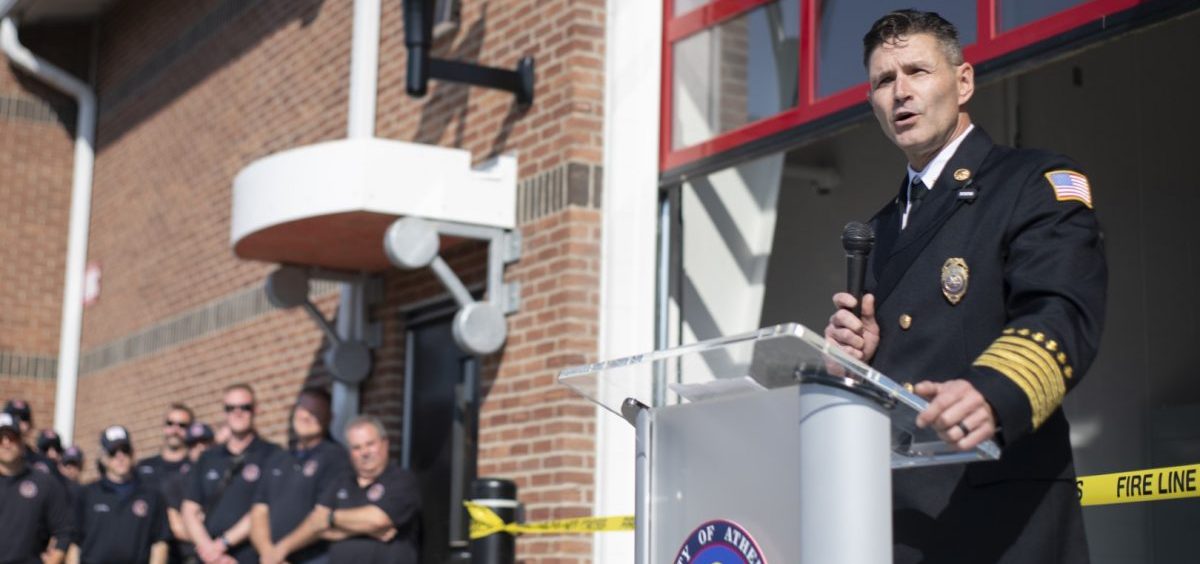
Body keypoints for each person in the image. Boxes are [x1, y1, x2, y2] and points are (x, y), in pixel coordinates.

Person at [823, 10, 1106, 563]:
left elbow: (1063, 309)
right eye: (884, 80)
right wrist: (857, 359)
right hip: (896, 523)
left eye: (918, 71)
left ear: (964, 81)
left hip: (999, 515)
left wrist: (994, 390)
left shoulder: (1033, 183)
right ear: (873, 103)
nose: (900, 92)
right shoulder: (879, 229)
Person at [262, 415, 420, 564]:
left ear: (385, 443)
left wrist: (331, 518)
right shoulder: (342, 481)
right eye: (357, 447)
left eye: (370, 444)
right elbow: (316, 524)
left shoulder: (401, 479)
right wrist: (280, 549)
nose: (365, 452)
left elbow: (378, 520)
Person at [249, 388, 352, 563]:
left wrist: (280, 551)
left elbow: (321, 516)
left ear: (329, 418)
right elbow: (259, 511)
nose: (305, 416)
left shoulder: (336, 458)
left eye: (315, 412)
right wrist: (268, 553)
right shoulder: (278, 458)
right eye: (303, 409)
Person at [182, 384, 280, 564]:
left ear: (255, 410)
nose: (238, 413)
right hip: (209, 557)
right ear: (224, 412)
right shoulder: (208, 457)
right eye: (231, 408)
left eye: (245, 407)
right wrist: (211, 553)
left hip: (250, 555)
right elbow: (190, 510)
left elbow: (263, 509)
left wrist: (223, 544)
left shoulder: (272, 454)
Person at [69, 425, 170, 564]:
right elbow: (74, 544)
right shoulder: (86, 494)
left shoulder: (152, 496)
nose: (120, 456)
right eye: (113, 452)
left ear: (133, 453)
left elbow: (160, 544)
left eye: (125, 450)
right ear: (103, 458)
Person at [0, 411, 73, 564]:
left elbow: (64, 532)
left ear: (21, 440)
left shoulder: (45, 483)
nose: (6, 443)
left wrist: (54, 559)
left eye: (12, 437)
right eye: (0, 438)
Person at [137, 403, 195, 484]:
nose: (175, 430)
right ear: (163, 427)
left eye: (182, 425)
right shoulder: (144, 468)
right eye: (170, 423)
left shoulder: (196, 467)